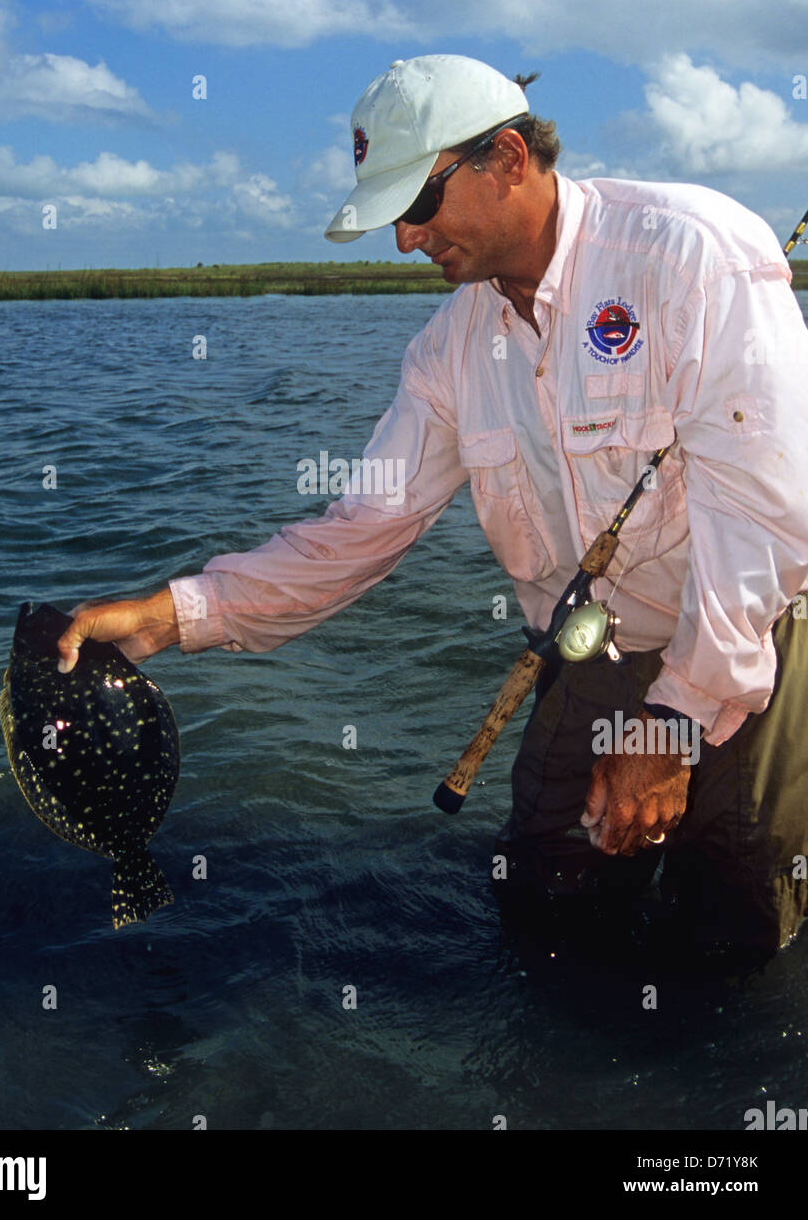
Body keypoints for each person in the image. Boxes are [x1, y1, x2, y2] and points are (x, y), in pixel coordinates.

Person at [57, 54, 808, 958]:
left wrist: (677, 718)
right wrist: (173, 614)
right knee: (543, 896)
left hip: (751, 631)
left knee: (734, 909)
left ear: (506, 158)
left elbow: (764, 514)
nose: (406, 241)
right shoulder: (448, 350)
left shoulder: (690, 253)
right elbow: (363, 528)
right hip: (599, 647)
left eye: (417, 206)